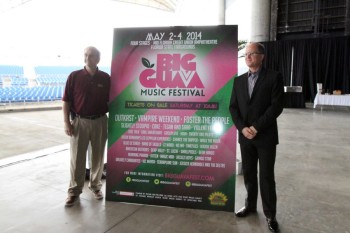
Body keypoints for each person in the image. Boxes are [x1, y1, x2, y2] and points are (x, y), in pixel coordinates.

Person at [229, 42, 284, 232]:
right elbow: (233, 108)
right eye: (246, 54)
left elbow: (276, 107)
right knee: (249, 175)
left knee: (266, 177)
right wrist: (243, 128)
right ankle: (250, 206)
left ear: (262, 56)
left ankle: (270, 215)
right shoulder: (238, 81)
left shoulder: (274, 77)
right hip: (245, 137)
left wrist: (256, 127)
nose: (248, 57)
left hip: (265, 136)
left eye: (252, 53)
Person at [62, 46, 110, 207]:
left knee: (97, 157)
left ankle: (96, 187)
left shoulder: (105, 78)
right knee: (77, 158)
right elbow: (66, 101)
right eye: (85, 55)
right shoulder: (74, 76)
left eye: (91, 55)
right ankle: (74, 191)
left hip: (100, 121)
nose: (87, 58)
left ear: (98, 59)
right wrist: (66, 122)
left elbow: (111, 101)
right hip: (79, 122)